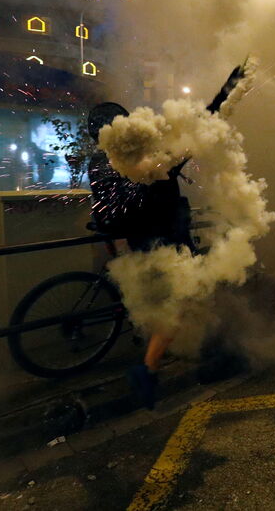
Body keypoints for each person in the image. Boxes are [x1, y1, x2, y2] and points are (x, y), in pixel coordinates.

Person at [87, 65, 247, 408]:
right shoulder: (145, 163)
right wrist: (231, 86)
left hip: (146, 242)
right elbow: (203, 123)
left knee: (174, 301)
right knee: (179, 302)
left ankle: (168, 354)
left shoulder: (103, 162)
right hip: (163, 243)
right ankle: (148, 368)